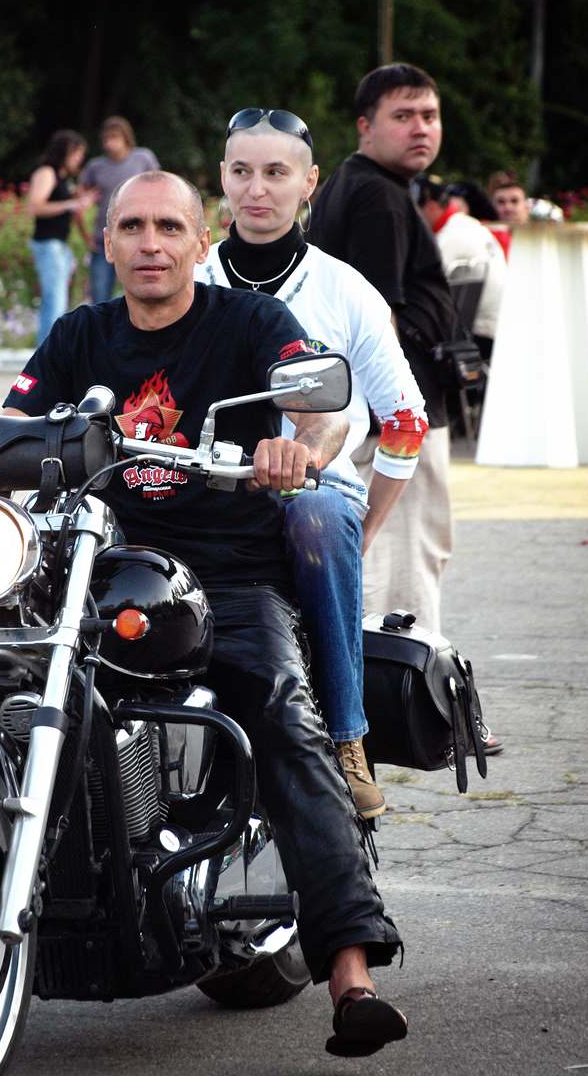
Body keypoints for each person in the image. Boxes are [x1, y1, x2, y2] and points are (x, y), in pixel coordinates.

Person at [0, 169, 408, 1057]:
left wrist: (299, 449)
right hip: (95, 564)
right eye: (131, 227)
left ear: (201, 242)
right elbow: (11, 422)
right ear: (109, 243)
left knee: (282, 714)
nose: (150, 243)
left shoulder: (251, 322)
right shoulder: (81, 334)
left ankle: (352, 970)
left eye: (168, 227)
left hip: (228, 573)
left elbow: (324, 416)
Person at [195, 107, 428, 819]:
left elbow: (406, 421)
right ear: (222, 178)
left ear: (310, 183)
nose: (256, 189)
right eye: (242, 171)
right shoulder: (187, 275)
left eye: (276, 172)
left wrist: (367, 531)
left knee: (319, 515)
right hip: (198, 488)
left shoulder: (345, 290)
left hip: (316, 493)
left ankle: (347, 736)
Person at [308, 63, 456, 642]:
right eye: (403, 116)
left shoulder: (361, 183)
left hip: (370, 412)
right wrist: (392, 419)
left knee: (397, 559)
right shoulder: (378, 196)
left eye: (430, 116)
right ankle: (407, 690)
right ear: (365, 126)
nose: (421, 128)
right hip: (393, 417)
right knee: (404, 566)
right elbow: (379, 317)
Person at [415, 175, 508, 360]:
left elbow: (421, 285)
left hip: (482, 333)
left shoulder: (449, 237)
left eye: (415, 210)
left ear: (431, 206)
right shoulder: (465, 223)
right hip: (500, 325)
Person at [26, 129, 97, 343]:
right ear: (65, 152)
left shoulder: (65, 179)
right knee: (54, 302)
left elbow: (73, 211)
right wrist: (71, 203)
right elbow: (34, 206)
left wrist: (88, 239)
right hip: (48, 244)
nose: (79, 159)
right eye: (76, 153)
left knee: (59, 302)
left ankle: (49, 349)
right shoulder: (47, 173)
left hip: (59, 245)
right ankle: (47, 353)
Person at [80, 116, 159, 302]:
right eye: (106, 139)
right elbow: (80, 201)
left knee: (141, 294)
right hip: (104, 239)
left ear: (126, 138)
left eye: (114, 138)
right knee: (100, 297)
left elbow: (160, 188)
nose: (109, 143)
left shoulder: (143, 158)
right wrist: (85, 236)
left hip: (138, 237)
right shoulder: (96, 166)